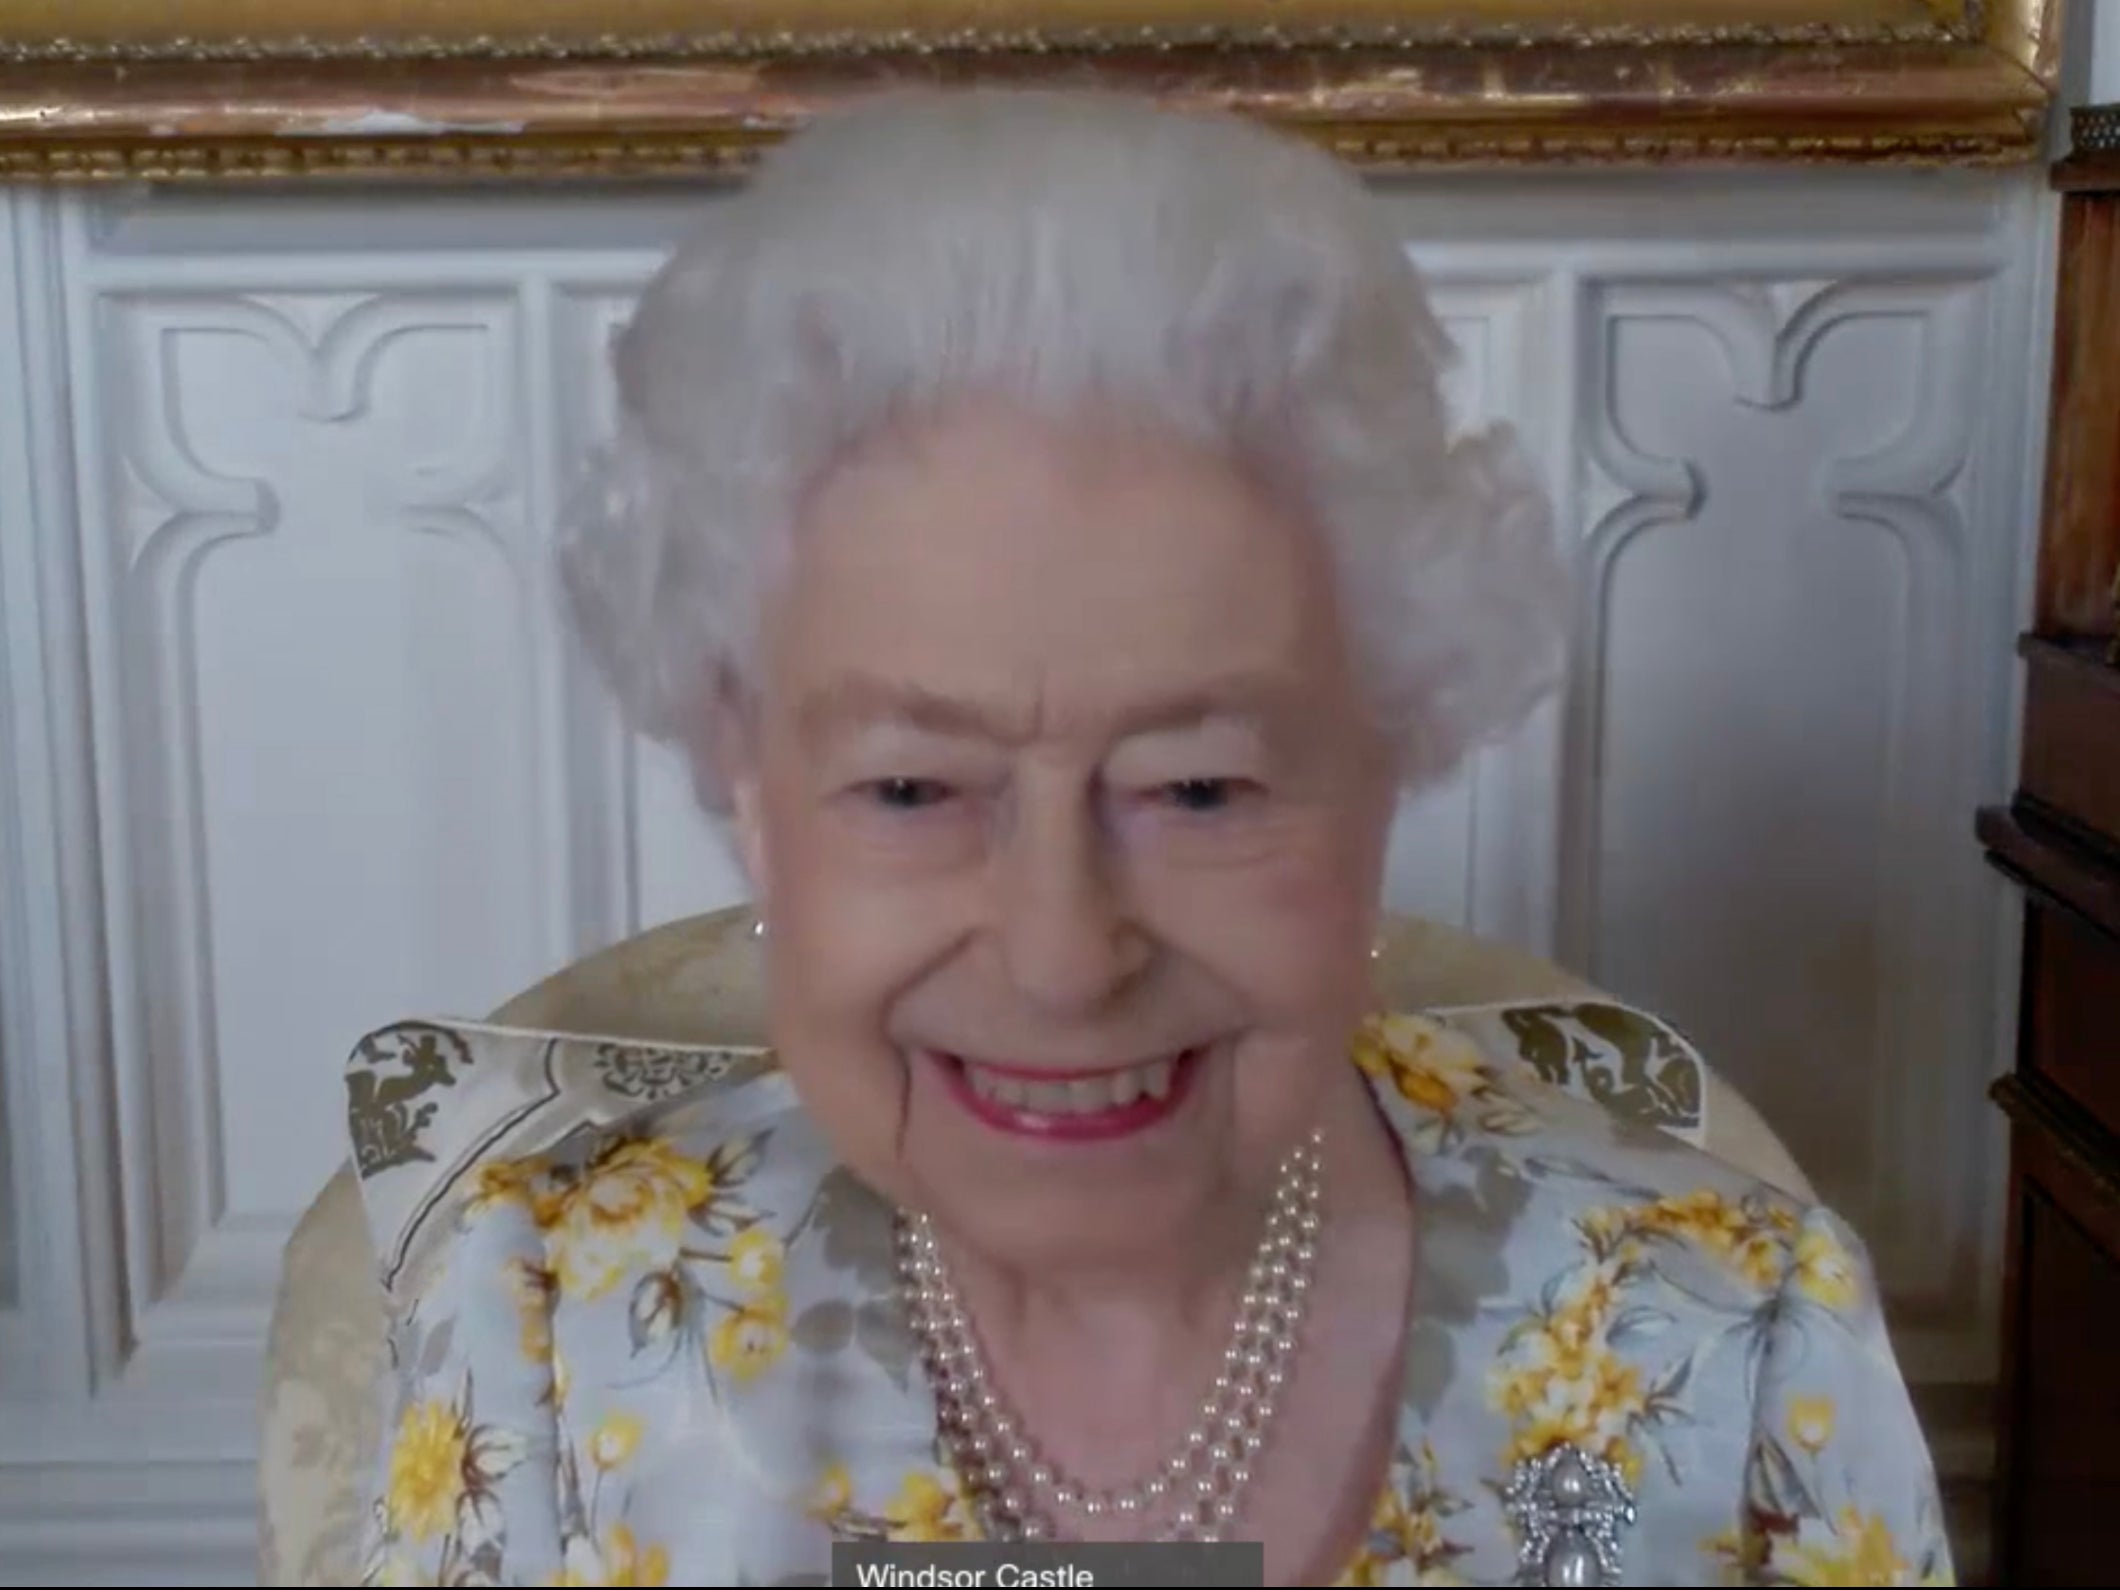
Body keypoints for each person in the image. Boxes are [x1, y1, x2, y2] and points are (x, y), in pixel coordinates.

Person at [354, 88, 1951, 1587]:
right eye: (914, 788)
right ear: (753, 802)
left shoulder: (1722, 1332)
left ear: (1388, 765)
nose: (1060, 959)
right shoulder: (547, 1330)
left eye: (1200, 788)